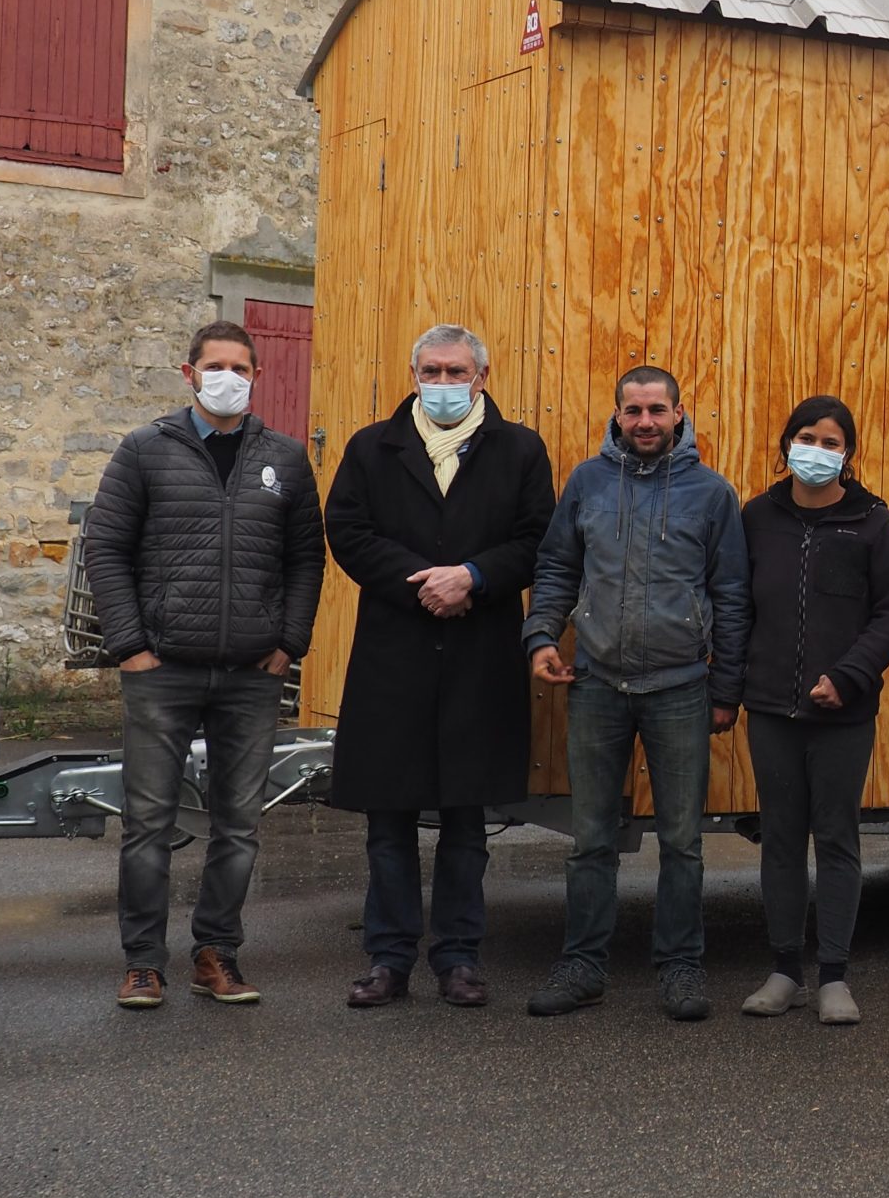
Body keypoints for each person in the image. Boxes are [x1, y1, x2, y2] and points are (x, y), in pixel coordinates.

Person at [86, 319, 325, 1010]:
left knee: (240, 827)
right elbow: (106, 548)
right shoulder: (144, 450)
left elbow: (307, 557)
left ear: (257, 375)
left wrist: (290, 642)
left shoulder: (282, 457)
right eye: (215, 364)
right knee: (148, 824)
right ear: (188, 372)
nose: (229, 376)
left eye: (241, 367)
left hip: (252, 673)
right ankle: (142, 963)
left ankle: (217, 954)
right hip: (161, 669)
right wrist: (130, 645)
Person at [324, 324, 554, 1010]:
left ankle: (458, 957)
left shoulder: (519, 449)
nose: (444, 383)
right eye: (432, 370)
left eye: (457, 372)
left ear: (483, 376)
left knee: (464, 823)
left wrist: (475, 578)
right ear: (413, 372)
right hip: (394, 656)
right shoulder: (373, 447)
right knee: (388, 822)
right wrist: (423, 582)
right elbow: (349, 532)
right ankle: (388, 959)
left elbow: (540, 537)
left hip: (479, 656)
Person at [521, 365, 749, 1022]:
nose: (645, 421)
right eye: (633, 411)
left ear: (680, 414)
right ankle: (583, 966)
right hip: (597, 683)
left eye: (657, 410)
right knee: (591, 838)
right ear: (617, 416)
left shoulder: (711, 494)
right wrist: (542, 636)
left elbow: (731, 596)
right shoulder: (587, 483)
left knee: (683, 841)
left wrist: (726, 686)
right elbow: (558, 565)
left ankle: (681, 969)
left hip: (681, 686)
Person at [738, 396, 889, 1025]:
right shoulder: (757, 516)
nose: (818, 450)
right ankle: (785, 970)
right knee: (781, 840)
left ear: (848, 454)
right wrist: (732, 689)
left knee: (836, 838)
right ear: (787, 444)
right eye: (807, 437)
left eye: (832, 442)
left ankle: (834, 975)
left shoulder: (873, 522)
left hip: (844, 714)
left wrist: (849, 676)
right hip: (770, 711)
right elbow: (737, 606)